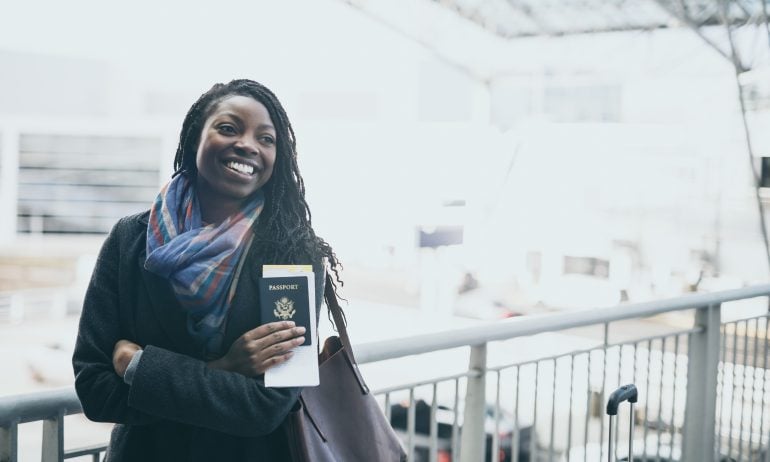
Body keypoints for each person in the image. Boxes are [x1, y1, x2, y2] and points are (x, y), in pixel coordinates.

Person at [72, 79, 342, 462]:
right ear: (195, 137)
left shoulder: (291, 253)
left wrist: (140, 368)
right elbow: (95, 392)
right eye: (229, 128)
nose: (248, 145)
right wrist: (224, 367)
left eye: (266, 139)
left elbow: (266, 407)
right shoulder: (130, 239)